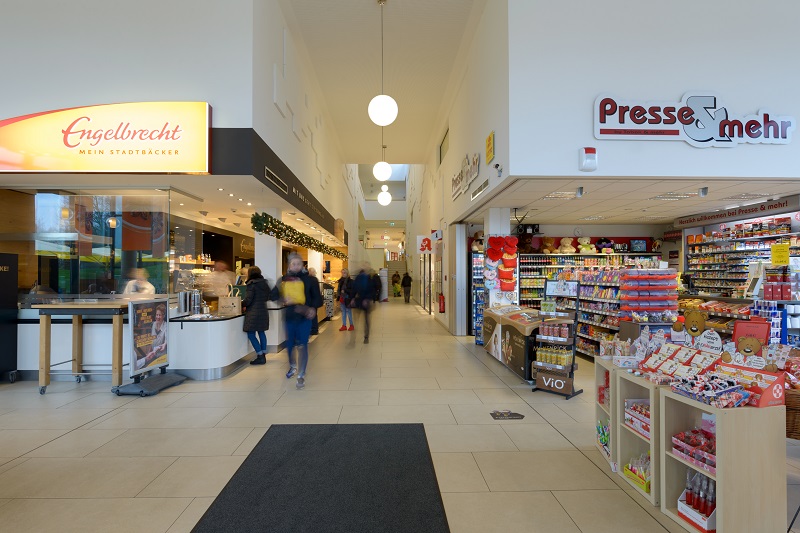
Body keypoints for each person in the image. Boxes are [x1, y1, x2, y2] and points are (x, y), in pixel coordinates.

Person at [272, 253, 322, 388]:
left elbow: (318, 299)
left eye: (298, 264)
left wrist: (312, 308)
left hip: (304, 318)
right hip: (289, 317)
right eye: (293, 264)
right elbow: (273, 295)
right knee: (289, 345)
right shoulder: (283, 280)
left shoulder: (311, 280)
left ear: (302, 265)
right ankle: (293, 366)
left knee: (302, 345)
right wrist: (283, 300)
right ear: (289, 265)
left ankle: (301, 375)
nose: (296, 266)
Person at [242, 265, 271, 365]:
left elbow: (248, 299)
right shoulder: (264, 283)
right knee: (261, 332)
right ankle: (263, 354)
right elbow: (268, 296)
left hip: (253, 312)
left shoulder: (251, 284)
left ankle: (260, 356)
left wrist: (241, 304)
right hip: (263, 310)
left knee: (251, 334)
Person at [139, 303, 167, 370]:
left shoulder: (166, 326)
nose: (157, 317)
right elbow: (152, 340)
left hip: (162, 357)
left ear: (163, 316)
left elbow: (167, 340)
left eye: (160, 315)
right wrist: (149, 352)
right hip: (153, 356)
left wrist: (164, 344)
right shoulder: (154, 324)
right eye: (157, 315)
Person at [354, 264, 374, 343]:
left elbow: (372, 290)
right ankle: (357, 335)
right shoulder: (360, 278)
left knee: (365, 320)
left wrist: (368, 299)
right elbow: (354, 288)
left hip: (364, 301)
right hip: (361, 300)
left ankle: (366, 336)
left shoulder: (368, 278)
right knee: (361, 319)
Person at [308, 267, 320, 335]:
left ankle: (313, 329)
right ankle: (315, 329)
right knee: (314, 315)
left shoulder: (310, 280)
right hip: (315, 301)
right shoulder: (315, 279)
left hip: (311, 301)